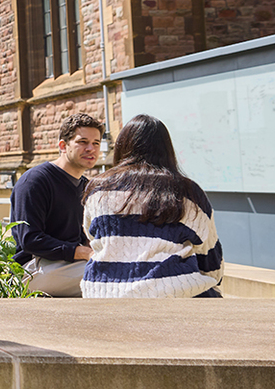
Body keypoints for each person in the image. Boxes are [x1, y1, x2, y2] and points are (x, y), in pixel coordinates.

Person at [81, 115, 222, 298]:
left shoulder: (97, 189)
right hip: (171, 293)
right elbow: (210, 255)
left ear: (122, 147)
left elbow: (92, 236)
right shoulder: (187, 192)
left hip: (103, 292)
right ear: (167, 149)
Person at [10, 113, 102, 297]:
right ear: (62, 145)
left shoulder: (86, 186)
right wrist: (83, 252)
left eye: (96, 143)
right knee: (110, 277)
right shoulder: (34, 181)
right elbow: (29, 240)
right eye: (82, 142)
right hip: (34, 268)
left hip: (72, 265)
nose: (91, 148)